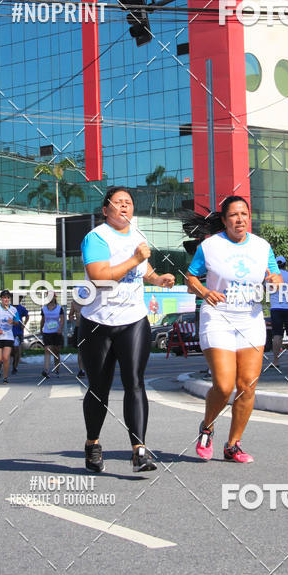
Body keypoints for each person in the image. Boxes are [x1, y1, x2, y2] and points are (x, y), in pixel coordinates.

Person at [80, 186, 175, 473]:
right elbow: (98, 278)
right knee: (100, 388)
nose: (124, 207)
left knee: (134, 381)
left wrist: (157, 279)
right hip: (98, 322)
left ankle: (139, 451)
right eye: (117, 202)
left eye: (129, 203)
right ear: (105, 210)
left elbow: (143, 271)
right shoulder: (96, 237)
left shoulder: (137, 236)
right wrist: (134, 259)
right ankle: (93, 443)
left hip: (133, 319)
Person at [186, 195, 281, 463]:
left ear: (249, 217)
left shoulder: (262, 246)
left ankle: (233, 444)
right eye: (233, 216)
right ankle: (207, 426)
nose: (239, 219)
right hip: (218, 317)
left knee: (247, 385)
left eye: (243, 214)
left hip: (250, 317)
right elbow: (190, 277)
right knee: (225, 385)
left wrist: (274, 280)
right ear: (225, 221)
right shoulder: (210, 246)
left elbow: (274, 277)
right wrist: (204, 291)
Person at [0, 290, 19, 383]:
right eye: (4, 297)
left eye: (8, 298)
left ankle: (5, 377)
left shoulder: (13, 310)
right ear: (1, 298)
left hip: (8, 336)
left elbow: (17, 321)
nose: (6, 299)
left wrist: (12, 322)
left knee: (6, 358)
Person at [40, 293, 65, 378]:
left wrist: (60, 328)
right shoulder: (44, 309)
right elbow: (43, 320)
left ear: (55, 297)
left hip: (56, 332)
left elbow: (62, 319)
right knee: (47, 350)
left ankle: (57, 369)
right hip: (47, 332)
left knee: (56, 351)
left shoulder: (59, 308)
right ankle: (46, 370)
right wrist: (41, 328)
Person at [10, 295, 29, 374]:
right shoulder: (8, 308)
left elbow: (27, 316)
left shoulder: (21, 308)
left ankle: (15, 366)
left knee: (16, 349)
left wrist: (24, 324)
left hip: (18, 332)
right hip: (9, 333)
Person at [68, 298, 85, 378]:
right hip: (79, 328)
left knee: (90, 350)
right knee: (80, 350)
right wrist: (71, 317)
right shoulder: (74, 303)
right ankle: (81, 370)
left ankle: (91, 369)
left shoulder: (91, 301)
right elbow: (70, 314)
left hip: (89, 328)